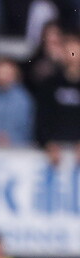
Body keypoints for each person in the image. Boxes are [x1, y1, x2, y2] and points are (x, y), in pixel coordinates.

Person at [35, 28, 80, 165]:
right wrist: (48, 144)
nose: (72, 54)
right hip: (55, 153)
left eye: (76, 49)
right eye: (68, 49)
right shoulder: (50, 84)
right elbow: (41, 118)